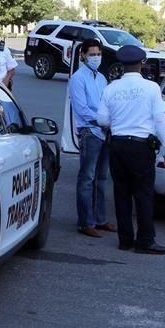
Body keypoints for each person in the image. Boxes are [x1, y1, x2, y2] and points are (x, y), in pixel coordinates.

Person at [96, 45, 165, 255]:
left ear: (121, 65)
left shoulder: (111, 88)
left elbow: (102, 119)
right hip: (141, 147)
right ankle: (145, 240)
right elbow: (159, 119)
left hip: (118, 144)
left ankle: (125, 240)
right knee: (143, 194)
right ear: (142, 63)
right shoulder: (151, 88)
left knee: (121, 192)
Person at [68, 38, 115, 238]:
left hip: (104, 132)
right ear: (84, 55)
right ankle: (85, 222)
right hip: (90, 131)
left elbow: (107, 103)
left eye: (98, 54)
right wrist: (101, 122)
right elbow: (81, 109)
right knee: (87, 178)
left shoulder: (102, 78)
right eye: (92, 54)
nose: (96, 57)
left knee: (101, 178)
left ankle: (100, 219)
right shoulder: (78, 78)